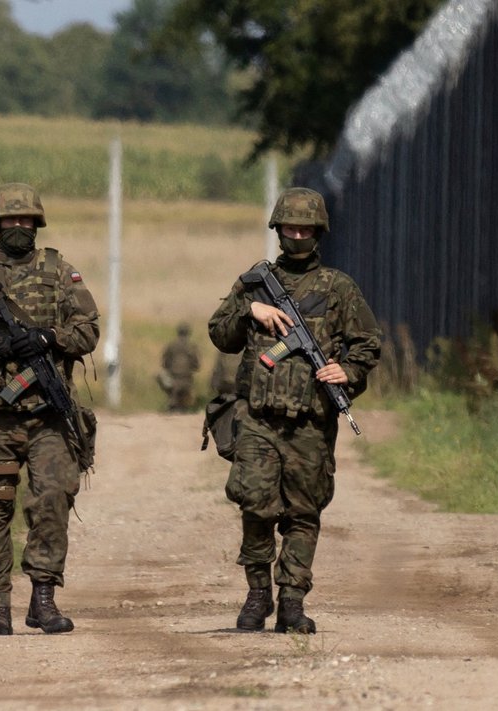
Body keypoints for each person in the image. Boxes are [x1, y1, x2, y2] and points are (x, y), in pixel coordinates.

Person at [208, 187, 382, 633]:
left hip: (310, 423)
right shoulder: (253, 282)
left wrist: (348, 371)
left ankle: (291, 601)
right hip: (258, 420)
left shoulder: (338, 288)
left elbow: (368, 342)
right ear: (278, 229)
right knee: (255, 505)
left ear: (318, 232)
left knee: (304, 513)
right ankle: (257, 595)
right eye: (291, 227)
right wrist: (252, 311)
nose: (298, 235)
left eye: (306, 228)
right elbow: (220, 334)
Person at [0, 182, 99, 636]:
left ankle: (43, 601)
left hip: (49, 418)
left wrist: (50, 337)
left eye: (26, 220)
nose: (19, 227)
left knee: (51, 501)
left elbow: (88, 329)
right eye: (11, 220)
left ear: (37, 223)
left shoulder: (59, 271)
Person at [158, 322, 201, 411]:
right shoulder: (192, 346)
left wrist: (169, 368)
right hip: (187, 376)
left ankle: (173, 403)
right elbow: (196, 363)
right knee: (186, 396)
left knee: (172, 391)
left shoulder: (171, 345)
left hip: (174, 375)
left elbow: (165, 361)